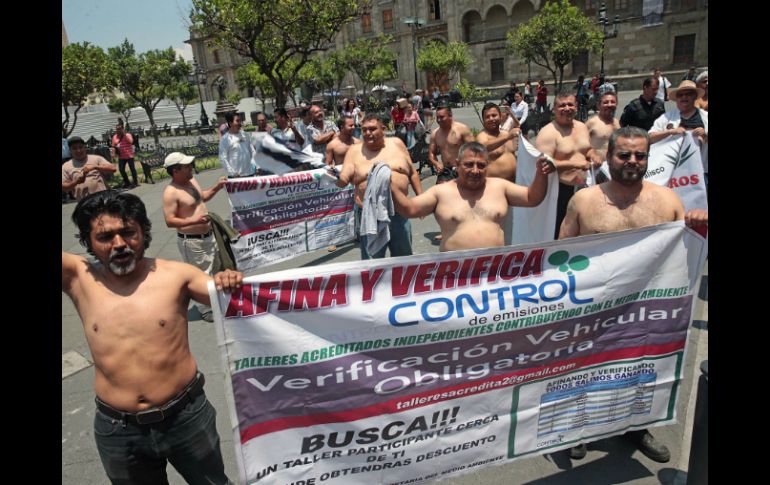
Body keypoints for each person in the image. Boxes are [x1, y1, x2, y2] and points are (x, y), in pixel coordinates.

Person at [61, 191, 242, 484]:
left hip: (186, 417)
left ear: (143, 233)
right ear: (88, 242)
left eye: (128, 232)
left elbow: (227, 296)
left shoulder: (178, 275)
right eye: (105, 237)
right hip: (118, 429)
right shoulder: (77, 278)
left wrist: (226, 280)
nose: (119, 244)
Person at [558, 126, 685, 464]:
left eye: (640, 155)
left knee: (640, 371)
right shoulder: (584, 200)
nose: (632, 161)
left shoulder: (668, 201)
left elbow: (683, 256)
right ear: (609, 156)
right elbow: (561, 257)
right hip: (593, 310)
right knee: (584, 370)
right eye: (624, 154)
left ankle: (636, 427)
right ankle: (575, 428)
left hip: (645, 311)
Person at [391, 142, 552, 251]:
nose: (475, 170)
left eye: (481, 165)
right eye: (468, 164)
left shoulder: (500, 187)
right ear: (457, 164)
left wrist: (541, 173)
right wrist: (390, 184)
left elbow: (533, 198)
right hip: (455, 275)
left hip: (495, 271)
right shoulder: (441, 192)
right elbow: (409, 209)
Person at [332, 114, 423, 259]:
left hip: (399, 211)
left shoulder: (397, 143)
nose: (368, 133)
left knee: (404, 259)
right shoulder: (354, 151)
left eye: (372, 129)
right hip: (370, 214)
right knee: (372, 262)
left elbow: (412, 173)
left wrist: (420, 200)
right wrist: (335, 177)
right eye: (364, 130)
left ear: (383, 129)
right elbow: (344, 177)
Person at [162, 152, 228, 322]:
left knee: (215, 269)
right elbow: (170, 220)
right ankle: (205, 308)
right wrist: (194, 220)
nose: (191, 168)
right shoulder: (171, 192)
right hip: (192, 242)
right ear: (175, 171)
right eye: (186, 166)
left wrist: (217, 187)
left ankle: (216, 300)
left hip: (208, 235)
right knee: (201, 275)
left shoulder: (191, 181)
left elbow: (202, 197)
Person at [535, 91, 602, 239]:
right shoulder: (548, 133)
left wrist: (593, 155)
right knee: (561, 233)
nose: (567, 108)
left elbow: (587, 149)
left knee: (586, 227)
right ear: (554, 109)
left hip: (585, 186)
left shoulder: (581, 126)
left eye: (570, 104)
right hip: (560, 192)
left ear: (576, 107)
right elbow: (543, 164)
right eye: (562, 105)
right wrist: (575, 163)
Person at [649, 80, 708, 184]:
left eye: (688, 94)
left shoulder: (705, 117)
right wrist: (670, 132)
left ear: (695, 96)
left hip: (702, 172)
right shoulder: (666, 118)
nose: (684, 97)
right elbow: (650, 138)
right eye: (680, 95)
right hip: (673, 173)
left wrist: (706, 135)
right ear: (676, 99)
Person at [428, 105, 475, 184]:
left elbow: (474, 149)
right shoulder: (435, 134)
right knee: (441, 192)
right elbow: (431, 153)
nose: (439, 120)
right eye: (437, 117)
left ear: (450, 116)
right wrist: (436, 163)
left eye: (442, 117)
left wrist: (465, 164)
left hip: (462, 169)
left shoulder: (462, 129)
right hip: (446, 170)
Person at [62, 136, 118, 201]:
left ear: (85, 147)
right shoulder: (66, 166)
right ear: (70, 150)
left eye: (80, 147)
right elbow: (64, 187)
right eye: (74, 148)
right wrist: (76, 182)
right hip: (84, 202)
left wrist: (96, 167)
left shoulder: (96, 158)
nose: (78, 150)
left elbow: (113, 169)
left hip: (103, 198)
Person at [585, 91, 621, 163]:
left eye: (613, 102)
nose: (609, 105)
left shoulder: (617, 123)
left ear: (616, 104)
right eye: (606, 102)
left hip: (613, 166)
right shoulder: (591, 123)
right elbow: (581, 146)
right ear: (598, 105)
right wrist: (593, 156)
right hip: (597, 167)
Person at [218, 111, 257, 178]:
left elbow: (252, 152)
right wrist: (233, 173)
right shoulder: (225, 139)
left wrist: (255, 167)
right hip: (236, 177)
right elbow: (223, 158)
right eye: (237, 121)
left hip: (250, 173)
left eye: (240, 121)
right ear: (230, 123)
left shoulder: (246, 135)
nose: (240, 123)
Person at [112, 123, 139, 188]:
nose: (118, 130)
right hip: (121, 156)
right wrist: (113, 154)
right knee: (121, 170)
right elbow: (113, 145)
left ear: (123, 129)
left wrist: (124, 134)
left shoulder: (128, 135)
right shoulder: (115, 137)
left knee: (132, 169)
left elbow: (131, 141)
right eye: (117, 129)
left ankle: (135, 182)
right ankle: (127, 182)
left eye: (120, 129)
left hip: (129, 155)